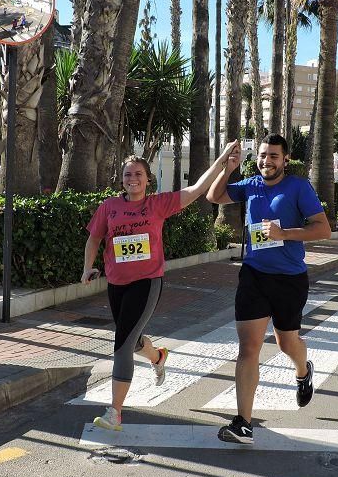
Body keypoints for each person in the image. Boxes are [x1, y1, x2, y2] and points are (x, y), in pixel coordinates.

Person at [83, 141, 241, 432]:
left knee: (121, 345)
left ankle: (114, 413)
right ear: (122, 180)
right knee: (132, 341)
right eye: (128, 175)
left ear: (147, 180)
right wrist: (88, 267)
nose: (133, 180)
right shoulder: (109, 207)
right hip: (117, 283)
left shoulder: (157, 204)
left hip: (147, 282)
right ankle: (158, 356)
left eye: (138, 175)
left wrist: (221, 160)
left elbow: (196, 190)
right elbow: (94, 238)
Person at [206, 134, 331, 444]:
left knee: (287, 342)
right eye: (262, 155)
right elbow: (213, 196)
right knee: (248, 347)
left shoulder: (298, 187)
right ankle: (244, 423)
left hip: (289, 278)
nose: (267, 161)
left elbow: (323, 228)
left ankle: (303, 371)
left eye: (274, 156)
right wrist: (228, 166)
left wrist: (283, 232)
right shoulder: (250, 184)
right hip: (254, 275)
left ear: (285, 160)